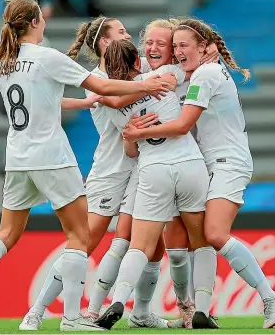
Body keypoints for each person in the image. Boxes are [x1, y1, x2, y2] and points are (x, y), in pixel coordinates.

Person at [0, 0, 170, 332]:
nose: (45, 22)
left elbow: (46, 99)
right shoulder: (46, 57)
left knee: (6, 234)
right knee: (78, 236)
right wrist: (145, 84)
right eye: (41, 19)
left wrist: (83, 102)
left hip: (17, 158)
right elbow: (102, 84)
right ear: (34, 22)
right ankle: (72, 319)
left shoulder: (5, 62)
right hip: (52, 157)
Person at [123, 18, 275, 329]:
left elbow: (184, 125)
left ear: (204, 47)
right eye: (176, 47)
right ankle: (198, 311)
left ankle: (269, 296)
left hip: (228, 162)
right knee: (189, 240)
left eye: (184, 45)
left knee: (212, 234)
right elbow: (143, 69)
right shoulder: (193, 71)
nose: (177, 51)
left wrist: (138, 134)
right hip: (202, 164)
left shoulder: (206, 74)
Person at [19, 16, 177, 331]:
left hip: (144, 165)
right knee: (85, 242)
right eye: (120, 32)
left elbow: (169, 66)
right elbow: (114, 97)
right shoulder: (95, 79)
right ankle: (36, 311)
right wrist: (150, 83)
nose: (129, 35)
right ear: (104, 42)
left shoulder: (140, 65)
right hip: (111, 170)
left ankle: (141, 313)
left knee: (151, 243)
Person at [93, 39, 214, 331]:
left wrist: (129, 134)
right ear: (138, 61)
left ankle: (118, 300)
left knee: (140, 246)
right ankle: (201, 309)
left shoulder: (115, 107)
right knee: (199, 243)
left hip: (152, 169)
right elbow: (184, 71)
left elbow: (131, 150)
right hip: (189, 163)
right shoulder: (160, 76)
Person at [139, 17, 220, 328]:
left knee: (200, 238)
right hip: (163, 167)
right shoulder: (145, 75)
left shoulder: (195, 72)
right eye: (150, 42)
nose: (155, 48)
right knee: (174, 249)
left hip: (198, 164)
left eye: (165, 43)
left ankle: (200, 308)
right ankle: (187, 309)